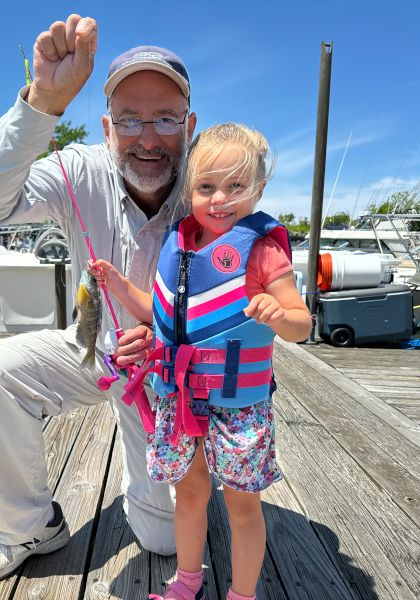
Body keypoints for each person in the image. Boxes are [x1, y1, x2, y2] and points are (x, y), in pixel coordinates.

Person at [0, 14, 197, 586]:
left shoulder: (209, 185)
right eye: (130, 120)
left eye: (164, 118)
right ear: (107, 127)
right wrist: (42, 103)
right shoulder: (78, 167)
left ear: (190, 124)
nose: (148, 136)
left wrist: (168, 339)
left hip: (168, 374)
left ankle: (159, 480)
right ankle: (23, 527)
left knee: (161, 540)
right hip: (93, 350)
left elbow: (250, 294)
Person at [89, 123, 312, 600]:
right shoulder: (180, 243)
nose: (220, 199)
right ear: (189, 189)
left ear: (259, 188)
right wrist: (115, 283)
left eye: (236, 186)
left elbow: (301, 323)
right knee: (188, 495)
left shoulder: (263, 250)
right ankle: (187, 581)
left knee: (242, 507)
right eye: (206, 186)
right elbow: (159, 311)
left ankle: (243, 593)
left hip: (238, 407)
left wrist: (278, 314)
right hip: (180, 400)